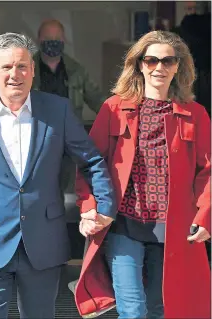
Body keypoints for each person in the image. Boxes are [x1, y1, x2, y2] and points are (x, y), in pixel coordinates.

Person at [0, 32, 116, 318]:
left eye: (21, 66)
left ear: (32, 70)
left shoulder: (58, 111)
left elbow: (91, 161)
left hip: (43, 244)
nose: (14, 75)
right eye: (6, 67)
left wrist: (104, 207)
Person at [74, 30, 211, 319]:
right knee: (132, 310)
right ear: (139, 64)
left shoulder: (195, 114)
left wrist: (205, 217)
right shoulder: (113, 108)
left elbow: (207, 172)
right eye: (151, 60)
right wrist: (88, 208)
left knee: (161, 308)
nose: (159, 68)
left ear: (178, 66)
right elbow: (90, 164)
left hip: (172, 230)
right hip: (124, 224)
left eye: (168, 61)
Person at [33, 19, 106, 193]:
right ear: (38, 40)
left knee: (66, 189)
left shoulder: (76, 70)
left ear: (64, 39)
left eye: (56, 37)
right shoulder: (27, 69)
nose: (52, 42)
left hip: (68, 140)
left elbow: (97, 100)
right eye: (47, 37)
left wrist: (121, 117)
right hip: (36, 139)